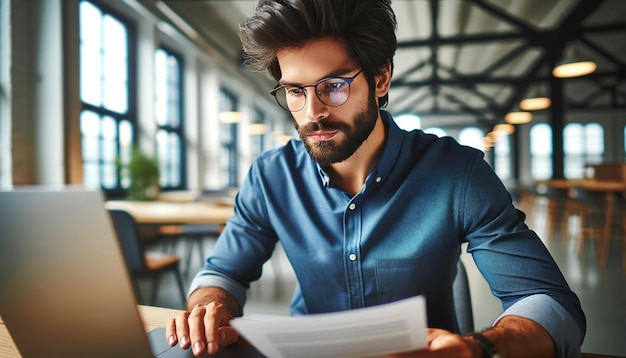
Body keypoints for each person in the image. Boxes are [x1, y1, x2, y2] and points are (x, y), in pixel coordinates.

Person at [166, 0, 586, 356]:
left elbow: (551, 306)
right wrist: (209, 304)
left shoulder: (458, 174)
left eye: (333, 85)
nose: (312, 112)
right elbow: (223, 273)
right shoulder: (270, 176)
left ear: (380, 78)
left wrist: (479, 347)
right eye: (295, 91)